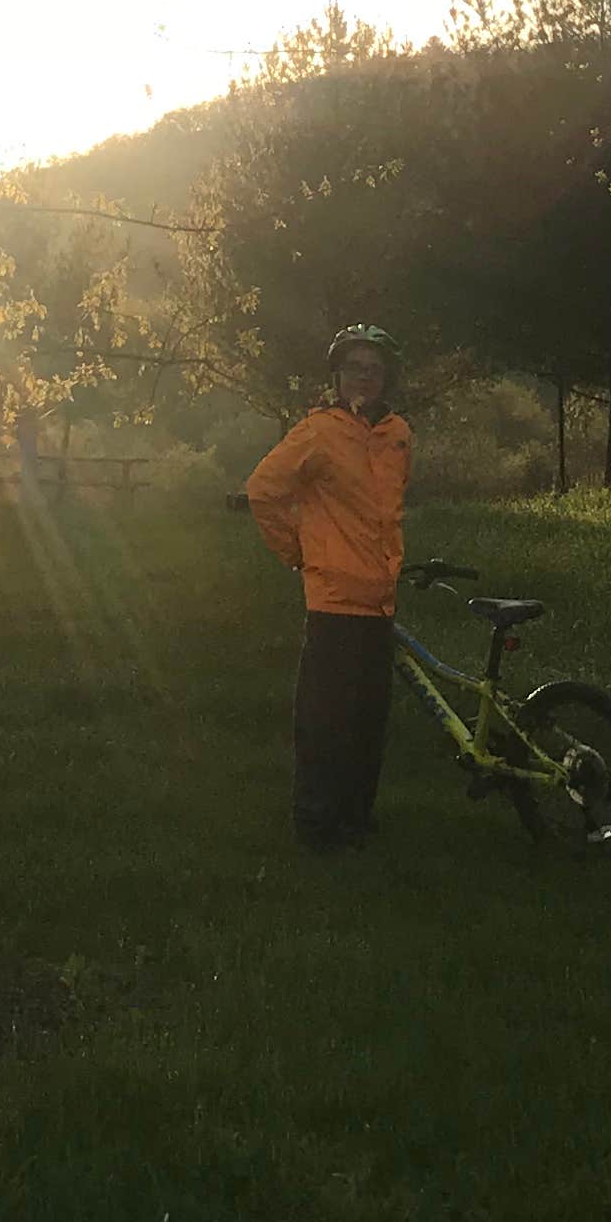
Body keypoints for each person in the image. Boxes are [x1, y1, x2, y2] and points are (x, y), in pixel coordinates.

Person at [243, 324, 412, 853]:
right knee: (325, 722)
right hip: (334, 599)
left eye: (375, 368)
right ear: (338, 375)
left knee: (368, 722)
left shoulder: (398, 435)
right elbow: (263, 492)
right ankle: (317, 825)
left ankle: (357, 818)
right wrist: (298, 554)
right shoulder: (318, 431)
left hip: (380, 599)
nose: (365, 376)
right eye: (355, 367)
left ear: (387, 377)